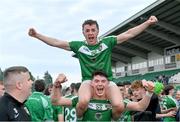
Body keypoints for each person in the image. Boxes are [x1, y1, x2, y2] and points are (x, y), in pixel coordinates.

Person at [28, 16, 158, 119]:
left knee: (118, 105)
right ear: (83, 32)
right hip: (88, 81)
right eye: (87, 30)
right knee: (83, 101)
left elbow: (129, 34)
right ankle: (80, 118)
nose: (90, 33)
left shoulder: (107, 42)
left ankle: (113, 118)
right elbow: (56, 43)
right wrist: (37, 35)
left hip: (107, 80)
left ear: (97, 31)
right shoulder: (79, 46)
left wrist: (147, 22)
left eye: (93, 30)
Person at [51, 71, 154, 121]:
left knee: (120, 106)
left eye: (103, 81)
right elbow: (56, 101)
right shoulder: (83, 99)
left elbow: (141, 106)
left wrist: (149, 93)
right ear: (91, 84)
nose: (100, 84)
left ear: (107, 84)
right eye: (96, 81)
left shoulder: (114, 101)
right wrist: (56, 85)